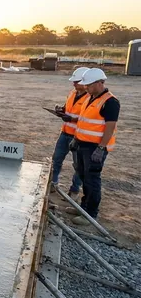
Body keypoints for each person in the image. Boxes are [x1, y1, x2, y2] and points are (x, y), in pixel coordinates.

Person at [69, 68, 120, 225]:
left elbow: (110, 127)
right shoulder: (90, 97)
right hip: (82, 144)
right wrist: (76, 138)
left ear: (99, 83)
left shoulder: (110, 102)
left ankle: (90, 215)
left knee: (92, 180)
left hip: (94, 148)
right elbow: (84, 121)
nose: (86, 88)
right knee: (84, 177)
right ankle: (83, 207)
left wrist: (101, 148)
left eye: (89, 85)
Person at [51, 67, 89, 198]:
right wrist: (61, 109)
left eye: (76, 81)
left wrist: (72, 119)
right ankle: (52, 183)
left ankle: (74, 191)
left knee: (78, 166)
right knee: (56, 159)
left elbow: (90, 118)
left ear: (86, 81)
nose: (74, 84)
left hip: (79, 136)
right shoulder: (73, 93)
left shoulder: (90, 98)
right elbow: (68, 107)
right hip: (65, 132)